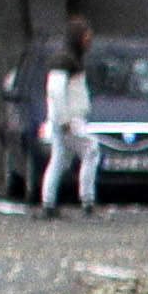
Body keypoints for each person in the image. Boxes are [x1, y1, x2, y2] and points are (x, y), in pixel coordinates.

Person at [36, 15, 99, 216]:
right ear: (78, 37)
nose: (89, 41)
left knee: (59, 159)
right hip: (69, 119)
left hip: (65, 119)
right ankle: (87, 201)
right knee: (91, 150)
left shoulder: (71, 59)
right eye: (86, 36)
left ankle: (48, 203)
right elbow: (55, 91)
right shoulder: (64, 60)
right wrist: (63, 119)